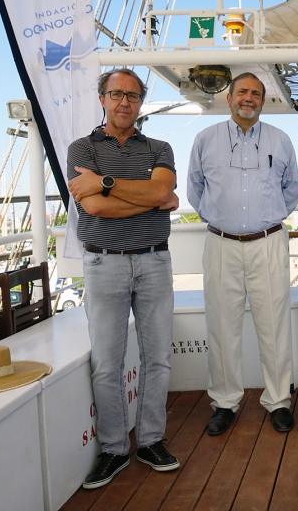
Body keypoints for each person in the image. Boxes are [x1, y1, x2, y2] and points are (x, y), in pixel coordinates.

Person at [67, 68, 180, 489]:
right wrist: (150, 197)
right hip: (104, 264)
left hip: (154, 263)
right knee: (106, 362)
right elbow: (94, 208)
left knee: (158, 359)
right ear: (102, 98)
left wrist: (108, 183)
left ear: (140, 102)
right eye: (116, 94)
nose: (124, 102)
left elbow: (160, 192)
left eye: (132, 96)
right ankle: (114, 449)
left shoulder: (160, 147)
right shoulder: (82, 148)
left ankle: (150, 440)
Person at [186, 72, 298, 435]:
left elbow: (291, 190)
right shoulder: (205, 140)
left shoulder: (281, 141)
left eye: (255, 94)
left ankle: (279, 400)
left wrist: (263, 221)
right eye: (242, 92)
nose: (248, 98)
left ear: (263, 102)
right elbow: (195, 189)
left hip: (268, 242)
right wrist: (224, 219)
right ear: (229, 98)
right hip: (221, 244)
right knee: (221, 326)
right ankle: (224, 402)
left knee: (274, 325)